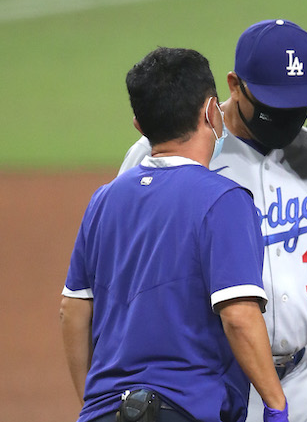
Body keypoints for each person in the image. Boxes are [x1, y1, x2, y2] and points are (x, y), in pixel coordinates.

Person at [118, 20, 307, 422]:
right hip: (206, 382)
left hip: (297, 383)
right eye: (271, 105)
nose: (285, 117)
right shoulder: (169, 153)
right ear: (234, 85)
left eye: (295, 103)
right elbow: (120, 269)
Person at [60, 47, 288, 422]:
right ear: (212, 111)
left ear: (139, 124)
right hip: (187, 408)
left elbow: (72, 309)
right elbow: (238, 315)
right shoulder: (223, 200)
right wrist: (276, 404)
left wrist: (95, 405)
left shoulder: (103, 200)